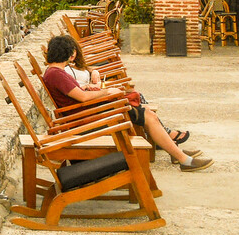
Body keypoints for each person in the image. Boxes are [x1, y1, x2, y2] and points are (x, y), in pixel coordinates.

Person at [43, 35, 213, 172]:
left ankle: (178, 154)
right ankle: (183, 159)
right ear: (68, 53)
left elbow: (77, 94)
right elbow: (83, 98)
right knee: (147, 115)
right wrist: (108, 92)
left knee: (146, 114)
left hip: (92, 114)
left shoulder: (54, 72)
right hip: (90, 119)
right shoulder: (56, 74)